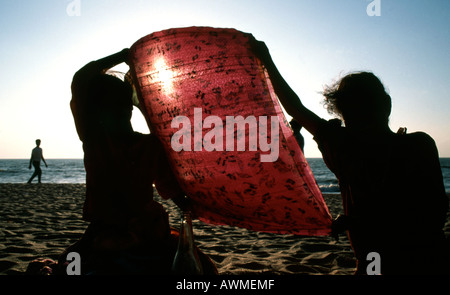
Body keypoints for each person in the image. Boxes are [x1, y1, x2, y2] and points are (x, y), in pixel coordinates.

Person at [251, 39, 449, 275]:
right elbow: (434, 211)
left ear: (341, 110)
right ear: (386, 105)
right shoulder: (419, 144)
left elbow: (297, 109)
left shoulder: (342, 146)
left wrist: (266, 60)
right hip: (430, 261)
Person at [60, 49, 216, 274]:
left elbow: (168, 187)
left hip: (144, 232)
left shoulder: (114, 142)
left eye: (120, 107)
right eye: (109, 108)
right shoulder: (96, 138)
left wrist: (192, 206)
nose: (118, 113)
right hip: (113, 231)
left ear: (129, 108)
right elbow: (81, 79)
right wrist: (124, 56)